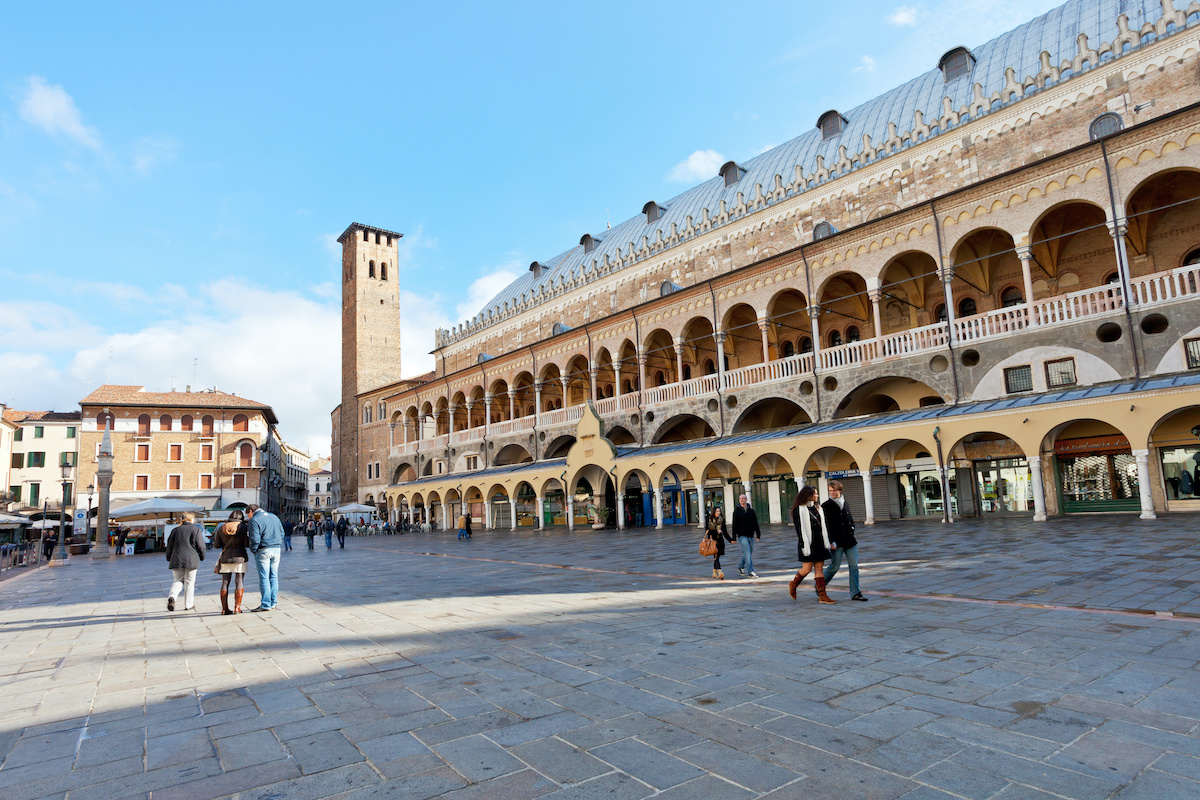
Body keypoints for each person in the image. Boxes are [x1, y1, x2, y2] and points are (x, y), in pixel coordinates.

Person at [788, 486, 835, 604]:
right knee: (807, 568)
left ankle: (823, 596)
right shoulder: (799, 509)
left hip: (820, 542)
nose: (817, 496)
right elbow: (800, 530)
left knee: (819, 568)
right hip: (808, 543)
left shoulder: (818, 508)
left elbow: (824, 525)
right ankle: (793, 584)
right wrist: (804, 545)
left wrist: (828, 540)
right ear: (808, 495)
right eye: (815, 494)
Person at [824, 480, 867, 601]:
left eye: (834, 490)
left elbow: (850, 520)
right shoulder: (826, 506)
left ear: (840, 491)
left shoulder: (845, 502)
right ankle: (819, 586)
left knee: (854, 566)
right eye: (830, 491)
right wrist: (831, 541)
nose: (832, 493)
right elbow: (825, 526)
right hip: (836, 541)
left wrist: (852, 529)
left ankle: (856, 593)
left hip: (849, 540)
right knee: (834, 566)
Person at [165, 512, 207, 611]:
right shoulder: (195, 529)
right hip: (191, 560)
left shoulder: (175, 530)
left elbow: (169, 546)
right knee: (189, 582)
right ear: (191, 520)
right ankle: (188, 604)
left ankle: (172, 597)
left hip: (176, 559)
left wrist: (169, 557)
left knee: (178, 580)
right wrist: (202, 556)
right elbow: (200, 545)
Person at [246, 504, 284, 612]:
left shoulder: (254, 520)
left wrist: (254, 549)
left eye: (248, 515)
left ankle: (266, 603)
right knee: (274, 576)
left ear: (250, 511)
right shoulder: (274, 517)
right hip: (276, 549)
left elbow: (255, 539)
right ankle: (273, 602)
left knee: (264, 577)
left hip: (263, 550)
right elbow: (282, 533)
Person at [213, 510, 250, 614]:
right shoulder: (243, 528)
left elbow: (216, 545)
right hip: (240, 557)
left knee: (225, 582)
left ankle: (224, 609)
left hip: (226, 557)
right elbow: (247, 544)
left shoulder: (222, 527)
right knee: (239, 581)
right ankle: (237, 607)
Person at [732, 493, 761, 578]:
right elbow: (734, 525)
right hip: (742, 535)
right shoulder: (736, 512)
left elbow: (755, 523)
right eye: (740, 498)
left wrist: (758, 534)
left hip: (750, 535)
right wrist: (734, 537)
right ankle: (750, 571)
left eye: (743, 498)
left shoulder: (751, 511)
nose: (741, 500)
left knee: (749, 552)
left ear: (746, 500)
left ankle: (740, 566)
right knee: (747, 553)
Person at [705, 506, 733, 580]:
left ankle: (714, 572)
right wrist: (716, 531)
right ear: (714, 512)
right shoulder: (709, 520)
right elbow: (707, 531)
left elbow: (725, 532)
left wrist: (730, 540)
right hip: (712, 541)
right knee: (716, 557)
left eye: (719, 511)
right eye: (717, 511)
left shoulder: (721, 520)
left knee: (717, 556)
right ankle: (720, 571)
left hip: (720, 540)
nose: (718, 513)